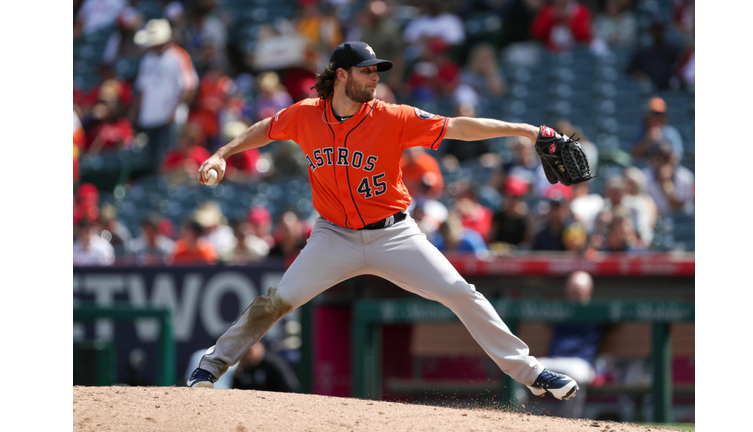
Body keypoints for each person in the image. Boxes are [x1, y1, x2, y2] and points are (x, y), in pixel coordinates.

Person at [187, 41, 579, 401]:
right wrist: (223, 152)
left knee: (461, 293)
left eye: (378, 71)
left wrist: (528, 131)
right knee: (276, 303)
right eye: (366, 70)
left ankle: (532, 373)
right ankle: (211, 365)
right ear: (341, 75)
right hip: (332, 237)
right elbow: (267, 129)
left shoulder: (393, 117)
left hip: (394, 235)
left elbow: (458, 126)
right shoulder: (306, 115)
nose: (375, 77)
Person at [529, 270, 605, 418]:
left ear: (588, 291)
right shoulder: (559, 311)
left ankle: (569, 424)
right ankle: (522, 421)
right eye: (571, 290)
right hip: (555, 360)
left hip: (580, 363)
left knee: (575, 377)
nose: (573, 294)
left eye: (578, 291)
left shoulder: (597, 313)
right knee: (526, 370)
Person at [130, 18, 199, 174]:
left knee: (167, 159)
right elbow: (141, 89)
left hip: (169, 119)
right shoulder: (147, 59)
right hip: (148, 118)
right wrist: (134, 115)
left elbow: (189, 87)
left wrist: (175, 111)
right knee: (151, 161)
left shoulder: (179, 56)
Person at [231, 340, 301, 392]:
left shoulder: (272, 363)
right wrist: (238, 373)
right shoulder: (243, 368)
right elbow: (236, 391)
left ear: (261, 347)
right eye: (244, 351)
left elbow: (290, 386)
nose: (247, 354)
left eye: (250, 350)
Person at [630, 96, 684, 161]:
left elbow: (677, 156)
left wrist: (663, 145)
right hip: (645, 169)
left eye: (660, 114)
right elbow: (632, 156)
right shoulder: (641, 132)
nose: (657, 117)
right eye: (654, 114)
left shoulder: (670, 132)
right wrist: (648, 140)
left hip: (667, 168)